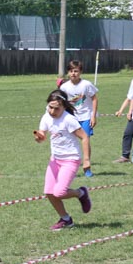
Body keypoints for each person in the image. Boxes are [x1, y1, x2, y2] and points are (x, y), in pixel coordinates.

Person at [33, 89, 92, 231]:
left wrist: (86, 160)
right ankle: (66, 219)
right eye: (50, 107)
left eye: (56, 108)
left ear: (64, 107)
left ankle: (81, 193)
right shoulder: (46, 117)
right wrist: (39, 137)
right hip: (55, 159)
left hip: (70, 159)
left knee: (59, 192)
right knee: (49, 192)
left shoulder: (68, 120)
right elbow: (42, 134)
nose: (52, 111)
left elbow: (84, 137)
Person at [59, 60, 98, 177]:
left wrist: (93, 116)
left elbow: (94, 98)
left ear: (80, 72)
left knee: (85, 139)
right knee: (70, 142)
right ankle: (69, 166)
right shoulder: (64, 87)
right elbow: (61, 102)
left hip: (86, 116)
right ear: (68, 72)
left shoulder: (86, 84)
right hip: (71, 118)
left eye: (76, 71)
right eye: (71, 71)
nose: (73, 73)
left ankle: (87, 165)